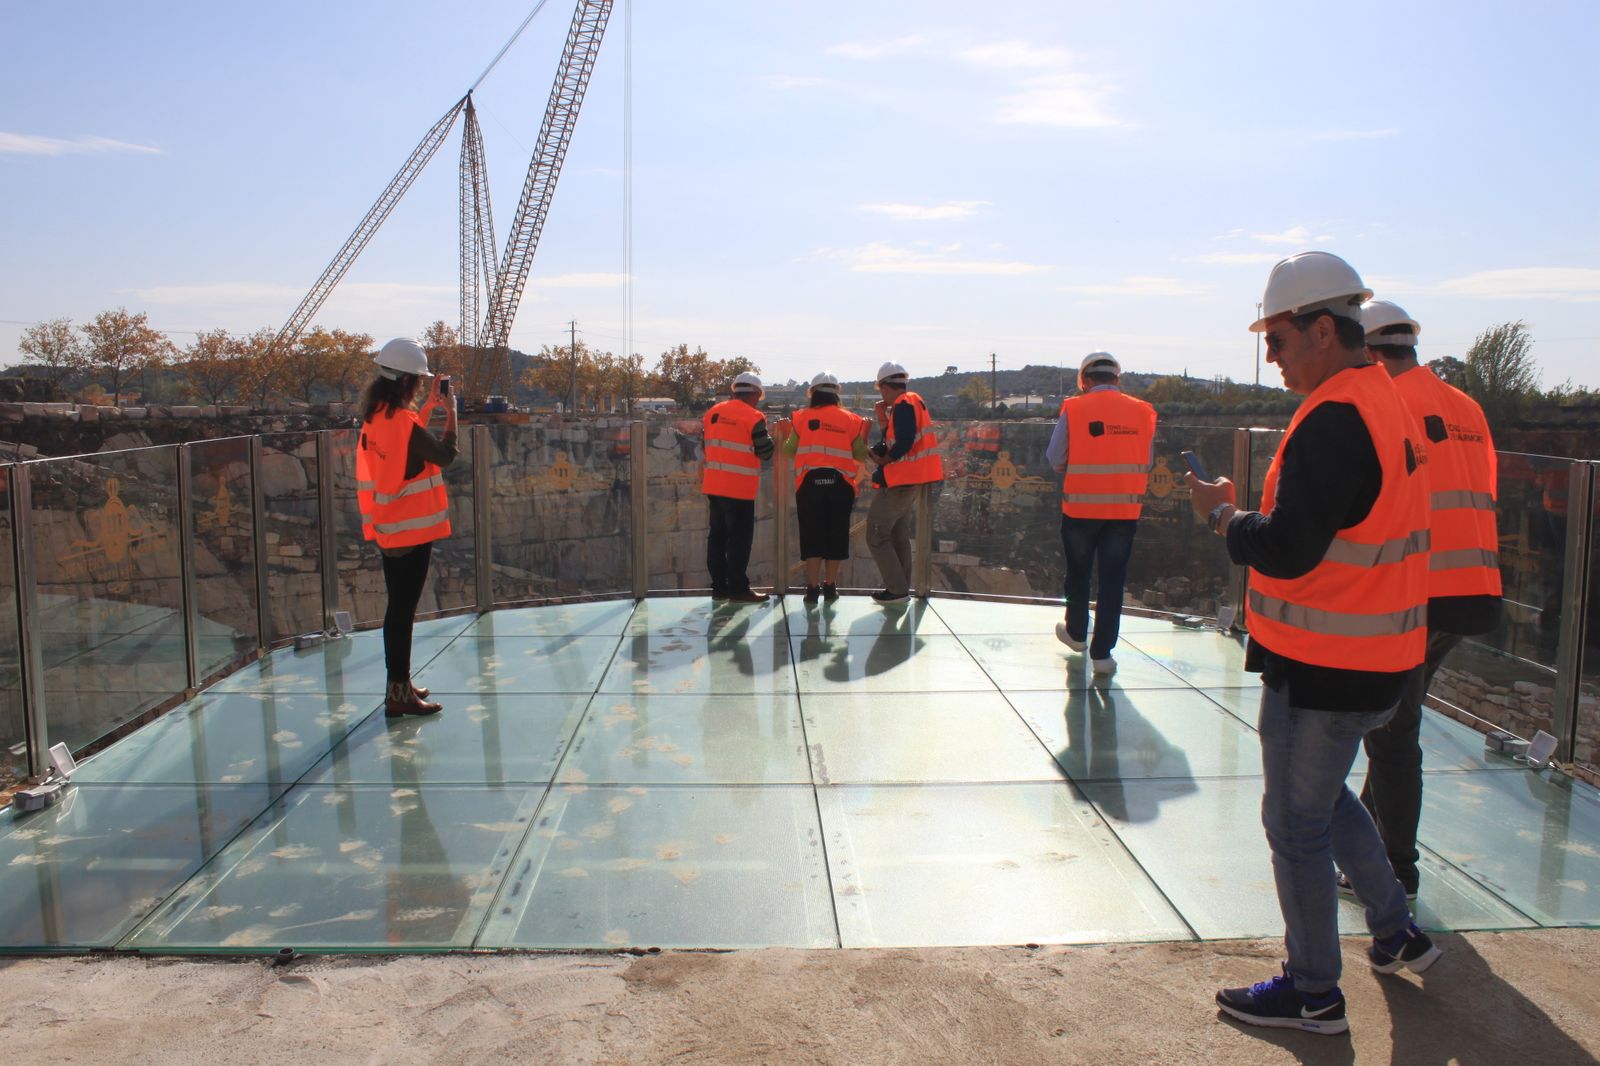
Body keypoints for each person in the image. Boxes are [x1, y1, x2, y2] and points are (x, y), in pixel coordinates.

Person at [1187, 252, 1440, 1036]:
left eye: (1280, 338)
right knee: (1325, 799)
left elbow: (1292, 547)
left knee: (1294, 823)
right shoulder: (1386, 399)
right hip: (1380, 656)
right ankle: (1396, 933)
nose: (1272, 356)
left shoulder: (1333, 418)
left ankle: (1313, 991)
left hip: (1324, 665)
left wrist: (1223, 519)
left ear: (1323, 331)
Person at [1340, 299, 1502, 901]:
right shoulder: (1466, 407)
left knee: (1392, 734)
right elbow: (1480, 491)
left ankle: (1393, 873)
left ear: (1370, 352)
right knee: (1393, 720)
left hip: (1417, 592)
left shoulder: (1388, 404)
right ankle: (1366, 850)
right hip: (1474, 589)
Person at [356, 337, 457, 718]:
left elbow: (408, 445)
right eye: (418, 382)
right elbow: (443, 455)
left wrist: (429, 406)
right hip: (411, 533)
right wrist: (452, 413)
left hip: (387, 527)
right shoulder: (401, 422)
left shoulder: (376, 416)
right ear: (406, 382)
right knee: (402, 612)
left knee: (395, 610)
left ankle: (398, 683)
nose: (419, 387)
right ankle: (398, 693)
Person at [1044, 352, 1157, 676]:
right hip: (1123, 511)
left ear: (1084, 380)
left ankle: (1077, 633)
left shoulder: (1075, 408)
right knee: (1112, 580)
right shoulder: (1143, 412)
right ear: (1117, 379)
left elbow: (1055, 458)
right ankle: (1103, 654)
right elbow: (1146, 461)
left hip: (1080, 508)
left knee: (1078, 573)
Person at [780, 371, 870, 603]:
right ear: (837, 394)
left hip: (809, 485)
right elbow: (860, 453)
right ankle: (830, 586)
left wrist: (787, 434)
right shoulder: (851, 420)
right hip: (840, 485)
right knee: (837, 535)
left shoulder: (800, 418)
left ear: (813, 393)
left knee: (812, 536)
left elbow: (789, 450)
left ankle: (812, 588)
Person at [865, 361, 944, 604]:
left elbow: (905, 440)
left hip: (901, 480)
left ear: (886, 388)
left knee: (876, 535)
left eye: (881, 391)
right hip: (913, 478)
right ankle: (900, 588)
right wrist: (883, 422)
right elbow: (899, 435)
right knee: (898, 533)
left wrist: (885, 459)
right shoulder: (912, 402)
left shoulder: (903, 404)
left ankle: (897, 589)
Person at [701, 371, 774, 602]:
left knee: (717, 538)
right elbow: (766, 452)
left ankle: (719, 588)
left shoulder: (712, 413)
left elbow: (707, 445)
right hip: (739, 488)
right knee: (739, 540)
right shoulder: (754, 417)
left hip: (714, 484)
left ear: (735, 391)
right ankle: (739, 589)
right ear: (754, 394)